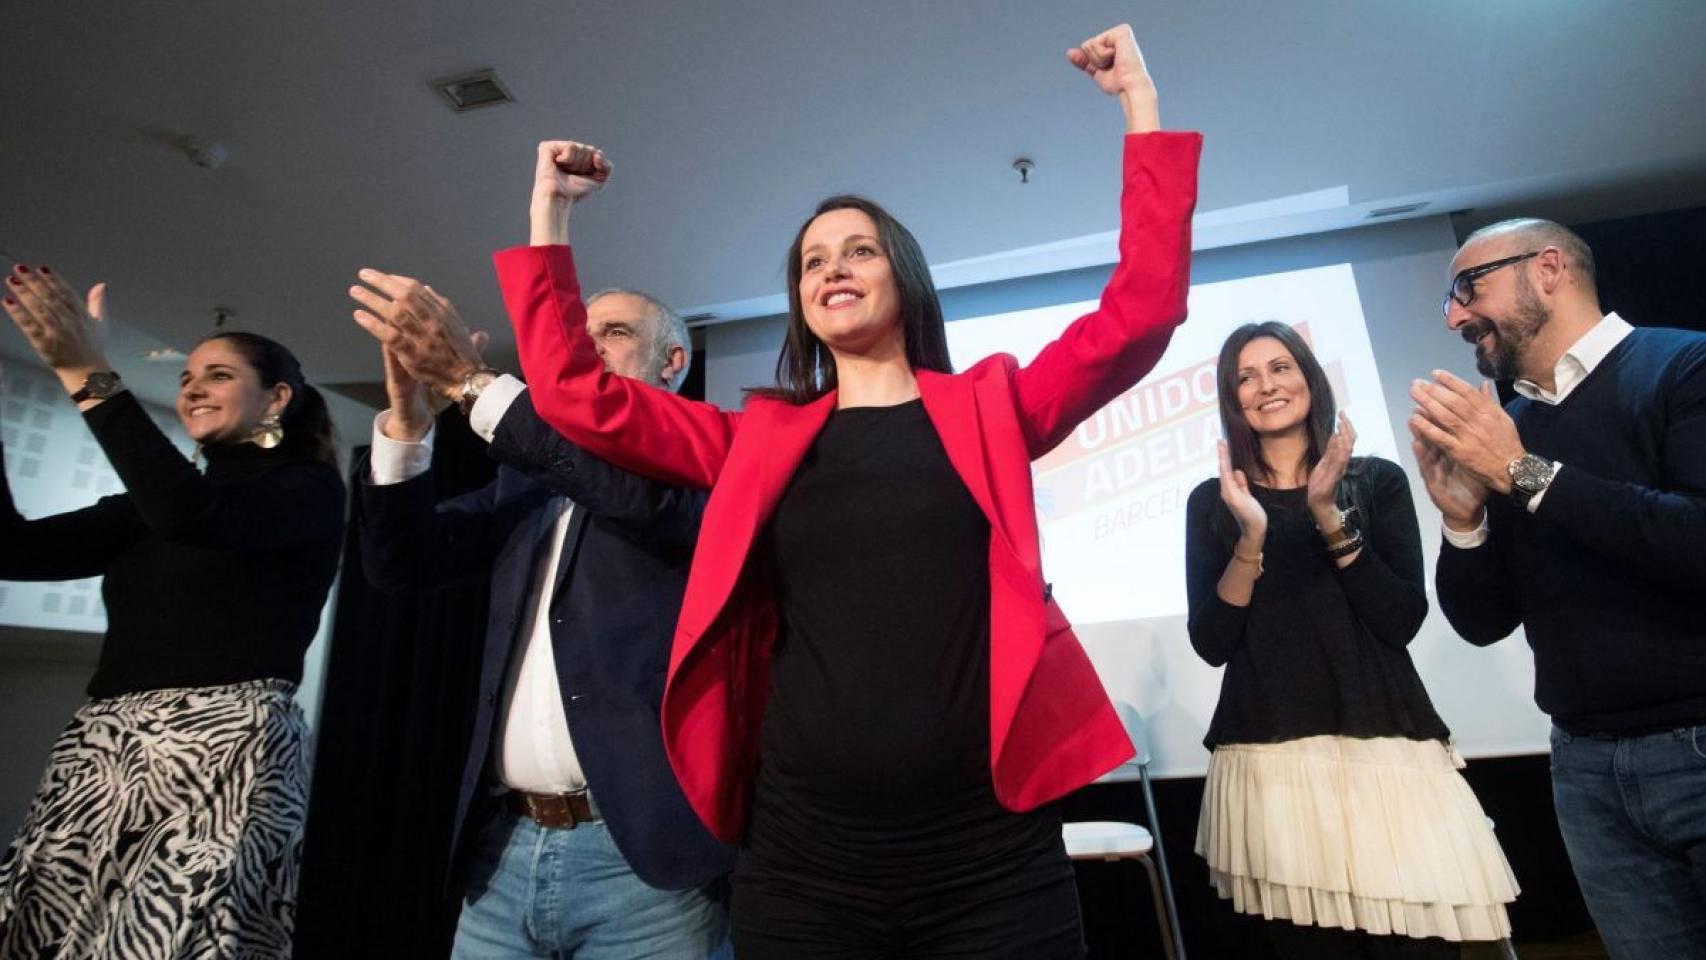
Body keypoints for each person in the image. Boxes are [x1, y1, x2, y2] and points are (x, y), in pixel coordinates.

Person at [376, 23, 1196, 959]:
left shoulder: (990, 407)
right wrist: (550, 216)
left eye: (859, 250)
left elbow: (1141, 314)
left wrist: (1140, 106)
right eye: (812, 260)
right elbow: (578, 399)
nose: (832, 267)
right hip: (806, 865)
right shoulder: (757, 439)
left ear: (906, 278)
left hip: (987, 854)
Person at [345, 274, 732, 959]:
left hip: (642, 867)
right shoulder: (525, 482)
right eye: (576, 341)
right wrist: (406, 425)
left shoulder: (704, 464)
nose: (586, 351)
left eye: (613, 334)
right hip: (502, 853)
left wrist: (471, 380)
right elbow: (399, 562)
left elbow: (627, 497)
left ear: (673, 363)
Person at [0, 265, 344, 958]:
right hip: (103, 748)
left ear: (277, 397)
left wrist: (88, 373)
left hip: (225, 750)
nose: (192, 387)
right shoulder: (151, 506)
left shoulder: (306, 491)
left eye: (217, 374)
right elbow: (15, 550)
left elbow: (194, 514)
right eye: (186, 377)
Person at [1410, 218, 1706, 959]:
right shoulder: (1507, 428)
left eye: (1466, 288)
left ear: (1548, 269)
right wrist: (1463, 521)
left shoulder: (1685, 366)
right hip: (1585, 770)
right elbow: (1483, 621)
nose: (1453, 316)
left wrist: (1523, 475)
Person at [1185, 321, 1517, 960]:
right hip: (1272, 757)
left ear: (1309, 377)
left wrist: (1327, 515)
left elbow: (1400, 620)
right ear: (1233, 399)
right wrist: (1251, 538)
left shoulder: (1375, 481)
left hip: (1388, 750)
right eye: (1245, 377)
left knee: (1421, 946)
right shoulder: (1214, 501)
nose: (1265, 386)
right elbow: (1212, 641)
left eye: (1280, 367)